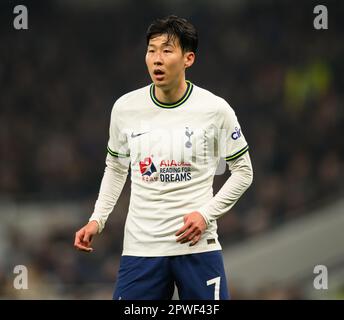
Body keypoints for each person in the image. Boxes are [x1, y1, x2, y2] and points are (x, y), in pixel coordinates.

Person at [74, 15, 253, 300]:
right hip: (141, 249)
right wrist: (98, 219)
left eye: (167, 50)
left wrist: (205, 215)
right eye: (151, 50)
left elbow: (243, 172)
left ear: (188, 58)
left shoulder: (216, 109)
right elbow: (116, 168)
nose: (157, 58)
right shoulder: (125, 108)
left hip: (197, 248)